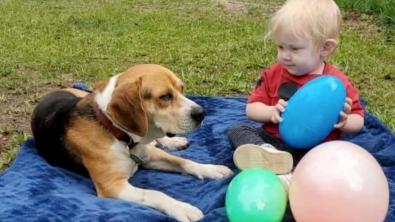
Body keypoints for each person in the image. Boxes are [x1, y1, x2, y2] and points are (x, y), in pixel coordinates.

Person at [227, 0, 365, 192]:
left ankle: (291, 174)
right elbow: (251, 108)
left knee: (344, 158)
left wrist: (344, 122)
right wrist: (270, 111)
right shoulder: (273, 73)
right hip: (276, 143)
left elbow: (358, 119)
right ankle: (269, 156)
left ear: (325, 48)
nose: (284, 56)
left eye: (294, 48)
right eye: (281, 47)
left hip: (318, 148)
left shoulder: (335, 84)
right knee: (237, 130)